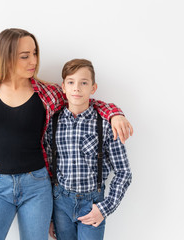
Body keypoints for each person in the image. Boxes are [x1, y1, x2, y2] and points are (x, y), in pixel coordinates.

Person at [0, 29, 133, 240]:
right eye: (25, 56)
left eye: (35, 53)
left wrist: (114, 114)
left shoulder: (47, 93)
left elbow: (81, 101)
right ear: (6, 57)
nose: (33, 61)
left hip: (37, 185)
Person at [44, 59, 132, 240]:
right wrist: (50, 216)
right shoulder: (52, 124)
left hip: (92, 204)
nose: (76, 88)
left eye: (83, 83)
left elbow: (123, 172)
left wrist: (104, 208)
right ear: (63, 87)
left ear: (93, 88)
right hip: (60, 203)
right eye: (71, 82)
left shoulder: (105, 125)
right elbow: (48, 171)